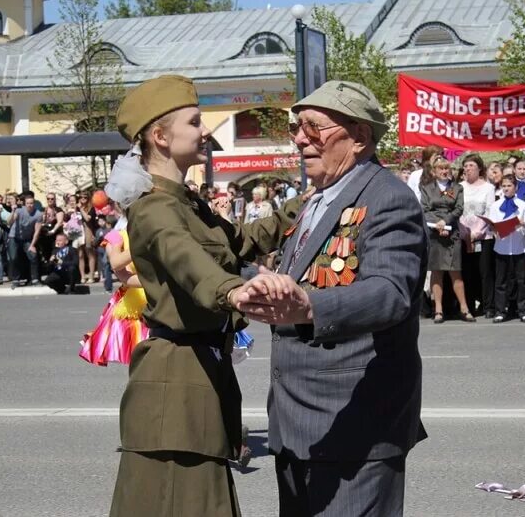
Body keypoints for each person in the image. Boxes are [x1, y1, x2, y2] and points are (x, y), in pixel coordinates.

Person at [231, 80, 428, 517]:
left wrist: (309, 307)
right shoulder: (318, 199)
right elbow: (296, 276)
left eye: (313, 128)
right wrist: (250, 281)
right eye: (297, 128)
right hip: (298, 420)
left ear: (358, 137)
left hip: (354, 423)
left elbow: (390, 292)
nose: (300, 138)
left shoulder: (388, 198)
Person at [109, 75, 300, 516]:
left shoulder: (185, 201)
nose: (205, 131)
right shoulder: (155, 208)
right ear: (160, 136)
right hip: (174, 389)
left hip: (197, 378)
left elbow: (240, 242)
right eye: (194, 122)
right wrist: (234, 292)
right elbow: (187, 262)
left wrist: (302, 205)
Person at [80, 152, 152, 366]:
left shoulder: (154, 226)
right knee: (139, 357)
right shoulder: (117, 234)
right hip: (136, 302)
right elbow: (117, 266)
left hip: (161, 300)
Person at [420, 155, 474, 322]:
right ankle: (438, 310)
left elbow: (459, 209)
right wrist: (438, 225)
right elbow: (425, 209)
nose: (444, 171)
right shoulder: (426, 188)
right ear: (434, 172)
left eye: (446, 169)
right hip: (434, 233)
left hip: (452, 234)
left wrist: (446, 222)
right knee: (436, 271)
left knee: (455, 272)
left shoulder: (457, 188)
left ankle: (464, 309)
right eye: (441, 169)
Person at [488, 175, 525, 323]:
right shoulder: (496, 206)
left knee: (522, 280)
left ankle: (524, 310)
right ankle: (500, 310)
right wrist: (494, 229)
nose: (506, 188)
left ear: (515, 187)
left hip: (519, 247)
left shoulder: (523, 205)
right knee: (501, 281)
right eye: (504, 186)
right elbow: (491, 227)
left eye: (509, 186)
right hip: (501, 247)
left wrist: (524, 225)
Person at [459, 154, 498, 319]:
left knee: (485, 272)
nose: (467, 169)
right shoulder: (459, 187)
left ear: (479, 168)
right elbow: (457, 211)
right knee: (467, 272)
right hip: (464, 236)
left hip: (484, 236)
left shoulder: (488, 188)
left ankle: (488, 305)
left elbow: (489, 210)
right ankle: (469, 305)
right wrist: (465, 233)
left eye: (471, 166)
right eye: (466, 166)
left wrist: (478, 232)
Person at [10, 196, 43, 287]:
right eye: (28, 203)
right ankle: (15, 280)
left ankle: (35, 279)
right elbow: (9, 222)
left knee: (33, 255)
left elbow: (37, 231)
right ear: (25, 204)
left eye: (31, 203)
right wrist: (12, 211)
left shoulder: (38, 214)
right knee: (13, 257)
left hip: (27, 239)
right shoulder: (19, 211)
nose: (30, 205)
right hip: (14, 237)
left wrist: (32, 245)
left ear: (34, 203)